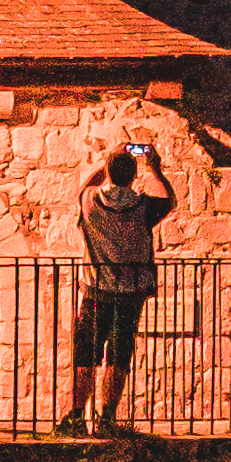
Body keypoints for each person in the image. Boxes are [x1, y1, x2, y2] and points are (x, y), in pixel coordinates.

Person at [60, 137, 174, 431]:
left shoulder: (89, 201)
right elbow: (169, 199)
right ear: (134, 176)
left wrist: (108, 161)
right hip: (129, 294)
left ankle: (76, 416)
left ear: (109, 171)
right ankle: (107, 416)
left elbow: (87, 185)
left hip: (96, 291)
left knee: (86, 354)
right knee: (119, 355)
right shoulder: (144, 207)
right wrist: (156, 169)